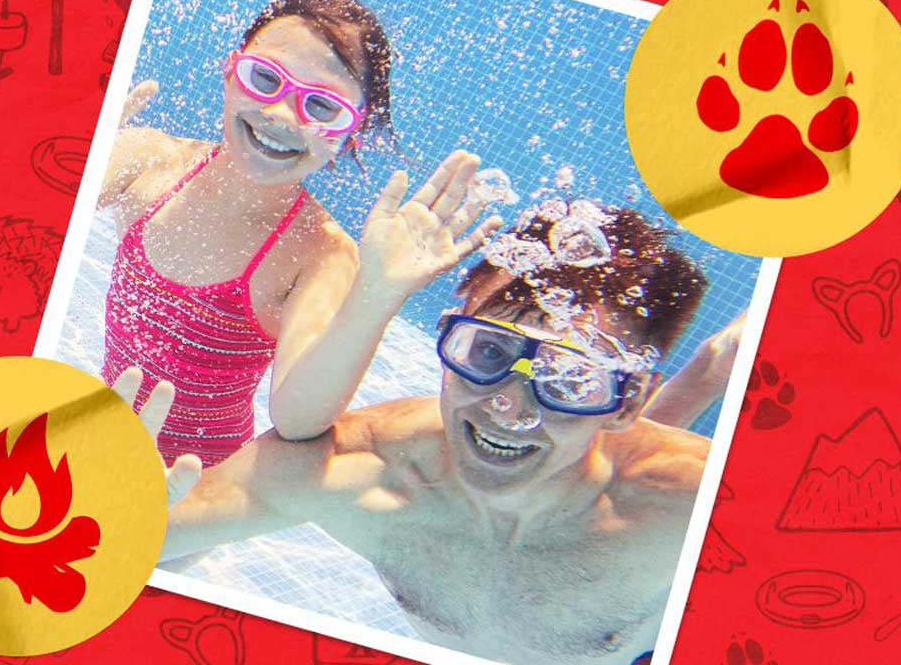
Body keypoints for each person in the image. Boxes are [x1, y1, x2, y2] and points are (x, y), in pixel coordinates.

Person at [120, 203, 723, 665]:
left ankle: (714, 364)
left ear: (627, 403)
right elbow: (125, 543)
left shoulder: (690, 502)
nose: (509, 408)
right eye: (487, 351)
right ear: (446, 341)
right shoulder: (365, 472)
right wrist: (108, 502)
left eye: (569, 381)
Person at [100, 0, 500, 467]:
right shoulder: (146, 161)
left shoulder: (318, 253)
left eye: (322, 107)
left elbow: (296, 419)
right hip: (102, 432)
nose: (280, 116)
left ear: (353, 127)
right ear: (231, 71)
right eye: (265, 78)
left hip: (193, 485)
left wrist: (377, 295)